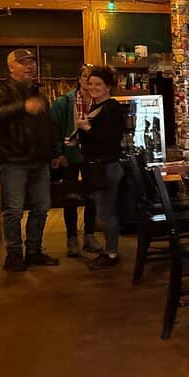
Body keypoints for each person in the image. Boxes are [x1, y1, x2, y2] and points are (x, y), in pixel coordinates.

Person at [0, 48, 60, 271]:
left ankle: (34, 250)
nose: (29, 66)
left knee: (42, 207)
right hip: (12, 161)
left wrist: (54, 153)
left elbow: (47, 126)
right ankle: (14, 255)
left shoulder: (38, 93)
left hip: (39, 160)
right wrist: (23, 106)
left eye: (31, 62)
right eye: (22, 62)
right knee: (14, 210)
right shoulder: (2, 91)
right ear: (11, 67)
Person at [76, 66, 127, 270]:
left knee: (106, 212)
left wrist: (87, 129)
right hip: (97, 167)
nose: (93, 87)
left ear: (108, 87)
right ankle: (110, 250)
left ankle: (111, 253)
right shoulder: (95, 107)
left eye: (98, 84)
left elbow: (111, 139)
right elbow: (93, 139)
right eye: (91, 83)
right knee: (104, 210)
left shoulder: (112, 108)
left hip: (107, 167)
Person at [49, 64, 102, 258]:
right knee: (70, 198)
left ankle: (89, 235)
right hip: (69, 156)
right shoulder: (64, 102)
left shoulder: (100, 102)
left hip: (91, 157)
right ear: (79, 79)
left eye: (93, 78)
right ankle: (71, 238)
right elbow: (52, 130)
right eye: (86, 77)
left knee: (92, 197)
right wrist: (57, 153)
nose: (89, 82)